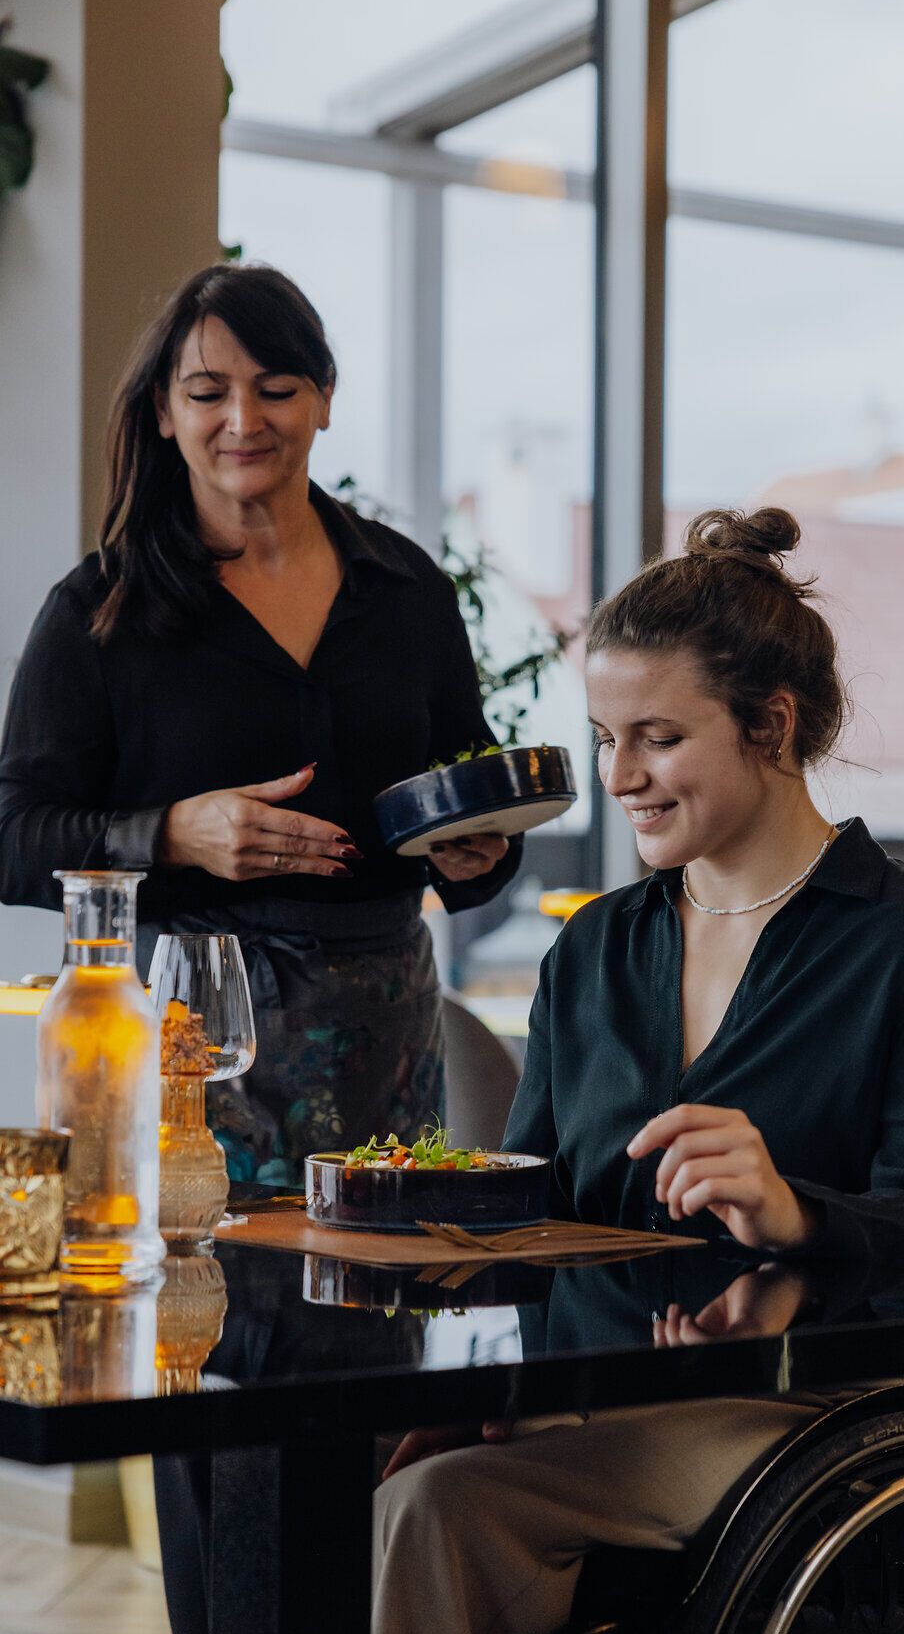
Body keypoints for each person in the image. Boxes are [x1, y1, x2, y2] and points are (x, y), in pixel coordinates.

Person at [367, 506, 904, 1634]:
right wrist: (416, 1230)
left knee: (438, 1516)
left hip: (814, 1415)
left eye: (658, 737)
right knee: (333, 1484)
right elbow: (542, 1202)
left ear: (770, 727)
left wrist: (795, 1211)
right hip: (601, 1399)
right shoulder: (597, 949)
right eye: (608, 739)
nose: (621, 776)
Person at [0, 262, 519, 1182]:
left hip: (389, 1035)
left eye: (276, 389)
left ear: (322, 400)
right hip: (188, 1040)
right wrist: (170, 835)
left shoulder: (407, 591)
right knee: (193, 1309)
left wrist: (479, 849)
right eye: (207, 392)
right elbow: (12, 835)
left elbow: (464, 790)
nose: (244, 421)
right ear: (164, 411)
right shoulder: (97, 611)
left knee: (389, 1303)